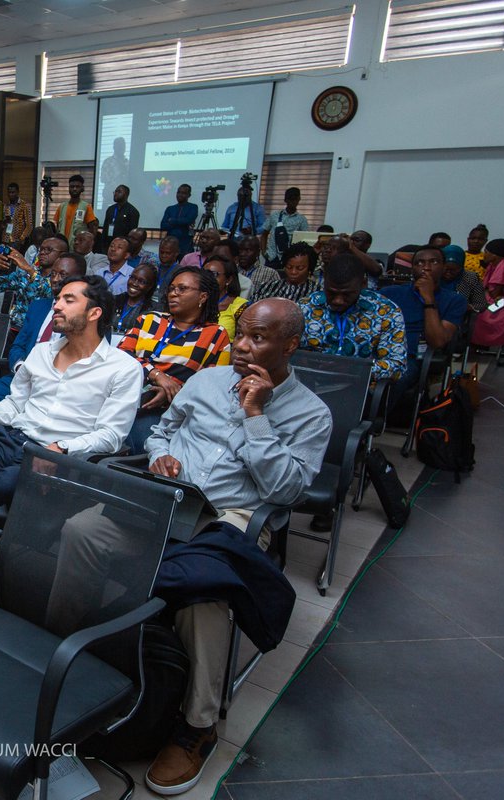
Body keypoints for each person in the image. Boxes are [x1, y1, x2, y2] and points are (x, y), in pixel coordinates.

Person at [51, 299, 331, 796]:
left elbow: (285, 493)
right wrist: (160, 458)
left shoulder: (311, 413)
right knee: (79, 529)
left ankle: (197, 724)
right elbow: (164, 432)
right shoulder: (205, 381)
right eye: (242, 334)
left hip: (234, 518)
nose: (243, 347)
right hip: (170, 500)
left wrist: (254, 414)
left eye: (259, 339)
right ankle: (70, 657)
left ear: (290, 345)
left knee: (204, 595)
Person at [0, 275, 140, 513]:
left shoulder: (123, 368)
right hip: (9, 441)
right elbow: (15, 406)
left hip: (54, 458)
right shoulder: (41, 352)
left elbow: (111, 436)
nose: (56, 305)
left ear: (94, 314)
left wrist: (62, 447)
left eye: (68, 300)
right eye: (58, 299)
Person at [117, 266, 231, 453]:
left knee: (142, 441)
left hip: (167, 409)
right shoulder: (149, 320)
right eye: (171, 288)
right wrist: (157, 375)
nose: (173, 293)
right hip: (124, 393)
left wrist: (171, 396)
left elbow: (213, 387)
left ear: (203, 297)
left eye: (182, 289)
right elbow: (121, 356)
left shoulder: (215, 335)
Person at [0, 252, 88, 403]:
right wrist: (20, 367)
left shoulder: (84, 316)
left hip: (57, 386)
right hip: (23, 378)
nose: (55, 279)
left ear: (80, 279)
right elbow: (18, 346)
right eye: (53, 273)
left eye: (63, 275)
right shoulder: (38, 307)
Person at [299, 253, 407, 384]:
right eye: (331, 292)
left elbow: (397, 366)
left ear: (363, 284)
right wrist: (299, 359)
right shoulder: (306, 306)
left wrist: (356, 369)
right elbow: (285, 350)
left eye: (347, 294)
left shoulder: (385, 311)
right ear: (324, 281)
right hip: (307, 384)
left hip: (359, 387)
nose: (338, 301)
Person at [381, 246, 467, 407]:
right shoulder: (390, 293)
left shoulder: (455, 301)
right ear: (412, 268)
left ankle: (373, 421)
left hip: (411, 357)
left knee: (392, 381)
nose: (426, 267)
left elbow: (438, 341)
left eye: (433, 262)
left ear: (443, 267)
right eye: (420, 263)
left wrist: (428, 298)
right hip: (380, 351)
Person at [0, 244, 52, 332]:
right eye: (41, 249)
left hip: (38, 332)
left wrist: (29, 269)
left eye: (49, 249)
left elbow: (48, 292)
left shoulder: (63, 279)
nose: (43, 252)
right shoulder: (24, 274)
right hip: (14, 328)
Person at [249, 242, 320, 304]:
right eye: (289, 267)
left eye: (300, 268)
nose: (293, 272)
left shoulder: (317, 291)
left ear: (310, 268)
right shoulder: (266, 287)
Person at [261, 187, 308, 265]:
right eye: (290, 199)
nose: (293, 202)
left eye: (295, 199)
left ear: (299, 199)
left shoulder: (302, 219)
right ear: (285, 200)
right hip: (272, 256)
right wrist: (263, 251)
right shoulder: (274, 215)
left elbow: (304, 240)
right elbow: (264, 233)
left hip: (290, 257)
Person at [205, 255, 248, 339]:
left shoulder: (241, 306)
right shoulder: (195, 302)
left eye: (213, 274)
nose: (206, 278)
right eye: (204, 273)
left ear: (228, 280)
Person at [439, 245, 486, 313]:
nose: (448, 273)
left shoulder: (470, 277)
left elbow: (481, 304)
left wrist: (467, 307)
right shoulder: (432, 275)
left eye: (454, 270)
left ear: (461, 267)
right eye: (446, 269)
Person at [53, 174, 98, 243]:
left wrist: (87, 244)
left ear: (82, 188)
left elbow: (92, 229)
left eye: (77, 187)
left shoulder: (86, 207)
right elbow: (58, 228)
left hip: (78, 246)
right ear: (69, 188)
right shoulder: (62, 206)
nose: (74, 189)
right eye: (72, 186)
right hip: (62, 245)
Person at [161, 184, 198, 255]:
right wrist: (182, 222)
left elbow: (189, 220)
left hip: (185, 244)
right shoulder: (170, 208)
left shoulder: (193, 207)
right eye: (178, 192)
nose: (180, 195)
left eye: (183, 193)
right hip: (170, 243)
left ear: (189, 195)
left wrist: (172, 221)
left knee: (185, 265)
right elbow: (163, 226)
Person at [100, 184, 140, 251]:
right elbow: (105, 229)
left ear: (126, 195)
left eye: (119, 192)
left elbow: (132, 234)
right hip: (108, 246)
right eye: (115, 191)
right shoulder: (110, 209)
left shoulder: (133, 211)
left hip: (122, 248)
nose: (115, 193)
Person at [154, 236, 183, 310]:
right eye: (161, 252)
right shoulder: (153, 268)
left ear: (176, 253)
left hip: (167, 309)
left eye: (168, 253)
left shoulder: (181, 272)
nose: (163, 256)